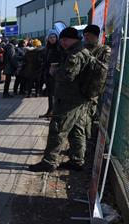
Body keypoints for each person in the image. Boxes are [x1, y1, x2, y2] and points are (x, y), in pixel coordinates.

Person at [28, 27, 92, 172]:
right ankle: (77, 160)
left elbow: (67, 76)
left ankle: (49, 162)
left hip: (69, 99)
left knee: (57, 129)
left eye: (65, 39)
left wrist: (54, 72)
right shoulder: (83, 51)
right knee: (77, 129)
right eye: (61, 39)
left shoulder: (75, 54)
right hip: (80, 98)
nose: (62, 42)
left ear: (74, 39)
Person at [82, 24, 111, 138]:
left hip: (95, 91)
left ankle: (88, 144)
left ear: (95, 36)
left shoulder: (104, 49)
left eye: (88, 35)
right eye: (85, 35)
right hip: (80, 89)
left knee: (90, 118)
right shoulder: (82, 48)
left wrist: (90, 58)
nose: (86, 37)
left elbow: (106, 68)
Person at [39, 30, 61, 118]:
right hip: (48, 73)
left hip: (56, 74)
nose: (52, 39)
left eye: (54, 37)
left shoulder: (59, 47)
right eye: (50, 37)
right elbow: (45, 59)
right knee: (50, 93)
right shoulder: (47, 48)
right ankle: (50, 110)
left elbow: (61, 59)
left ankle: (54, 112)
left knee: (54, 93)